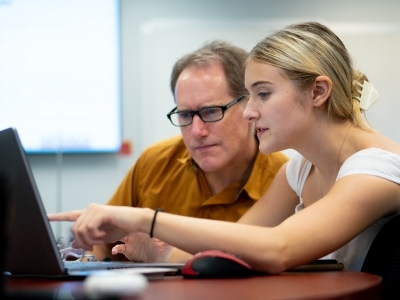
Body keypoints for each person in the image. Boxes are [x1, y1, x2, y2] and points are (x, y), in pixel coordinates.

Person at [49, 21, 400, 273]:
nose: (249, 112)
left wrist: (144, 219)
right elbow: (232, 251)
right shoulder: (299, 169)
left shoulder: (376, 169)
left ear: (318, 92)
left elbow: (278, 249)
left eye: (263, 94)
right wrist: (157, 251)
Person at [89, 40, 288, 261]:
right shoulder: (154, 162)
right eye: (184, 115)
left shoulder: (284, 179)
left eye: (211, 112)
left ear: (248, 106)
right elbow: (100, 246)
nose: (197, 131)